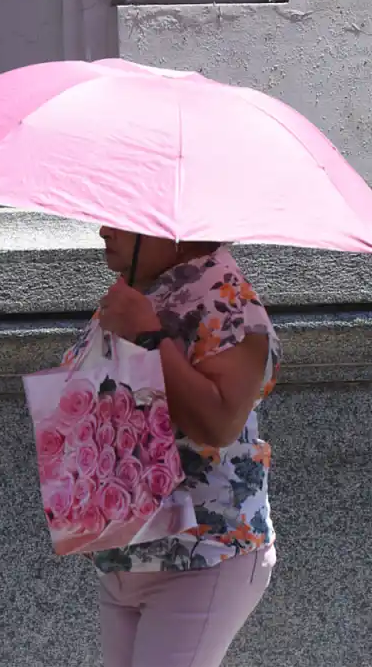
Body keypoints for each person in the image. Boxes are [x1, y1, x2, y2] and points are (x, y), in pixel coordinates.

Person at [60, 226, 281, 667]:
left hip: (202, 555)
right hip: (127, 552)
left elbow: (218, 422)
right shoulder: (143, 291)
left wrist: (148, 336)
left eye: (122, 218)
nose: (104, 229)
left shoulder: (227, 301)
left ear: (175, 230)